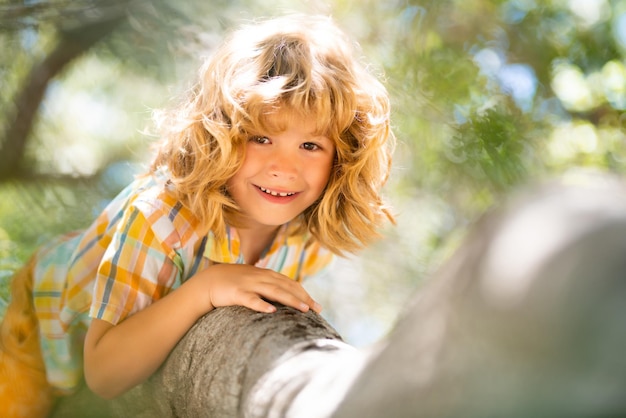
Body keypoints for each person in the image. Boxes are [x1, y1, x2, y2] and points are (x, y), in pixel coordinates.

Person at [0, 13, 395, 418]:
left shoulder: (307, 240)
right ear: (220, 135)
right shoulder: (161, 218)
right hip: (37, 329)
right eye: (261, 138)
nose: (285, 167)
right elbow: (103, 371)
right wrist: (205, 288)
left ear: (341, 158)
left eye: (310, 145)